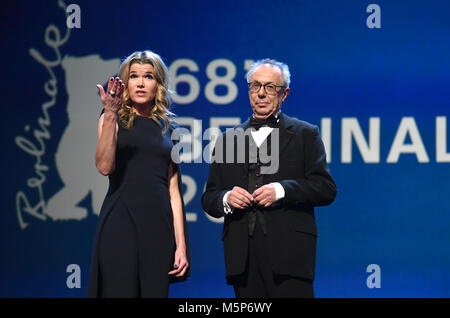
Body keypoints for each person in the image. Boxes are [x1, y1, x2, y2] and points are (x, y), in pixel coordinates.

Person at [201, 58, 337, 298]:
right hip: (242, 257)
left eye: (270, 87)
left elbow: (325, 188)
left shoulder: (305, 134)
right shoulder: (227, 140)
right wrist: (226, 198)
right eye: (255, 86)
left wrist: (282, 190)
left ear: (284, 94)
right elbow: (209, 197)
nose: (261, 93)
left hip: (291, 255)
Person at [87, 51, 190, 298]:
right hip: (121, 221)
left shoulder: (169, 128)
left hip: (159, 226)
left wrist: (181, 246)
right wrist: (111, 114)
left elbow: (173, 190)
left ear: (159, 84)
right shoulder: (111, 119)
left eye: (148, 77)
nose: (141, 83)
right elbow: (104, 167)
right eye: (134, 76)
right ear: (125, 82)